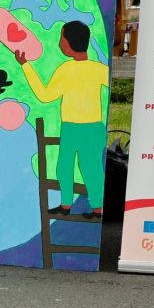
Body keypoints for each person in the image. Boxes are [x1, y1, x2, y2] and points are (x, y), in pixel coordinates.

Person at [17, 19, 110, 216]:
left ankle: (81, 206)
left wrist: (26, 65)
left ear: (68, 43)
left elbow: (44, 95)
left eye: (61, 39)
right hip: (85, 127)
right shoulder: (96, 68)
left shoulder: (67, 70)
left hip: (80, 128)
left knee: (74, 167)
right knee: (84, 167)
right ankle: (83, 206)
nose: (59, 43)